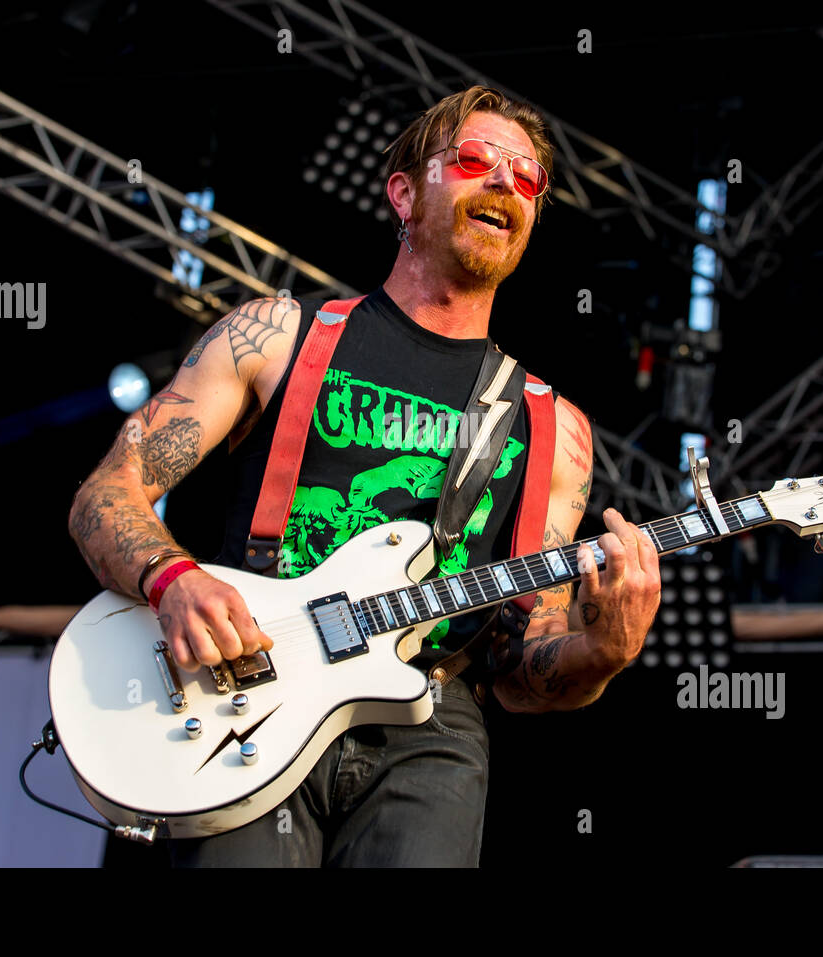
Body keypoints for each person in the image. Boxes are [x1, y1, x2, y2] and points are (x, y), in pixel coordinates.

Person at [67, 85, 662, 867]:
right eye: (478, 160)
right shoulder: (278, 334)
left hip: (431, 728)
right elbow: (105, 494)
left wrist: (603, 651)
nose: (504, 184)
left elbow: (520, 669)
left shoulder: (556, 429)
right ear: (405, 193)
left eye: (527, 179)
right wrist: (171, 577)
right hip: (247, 682)